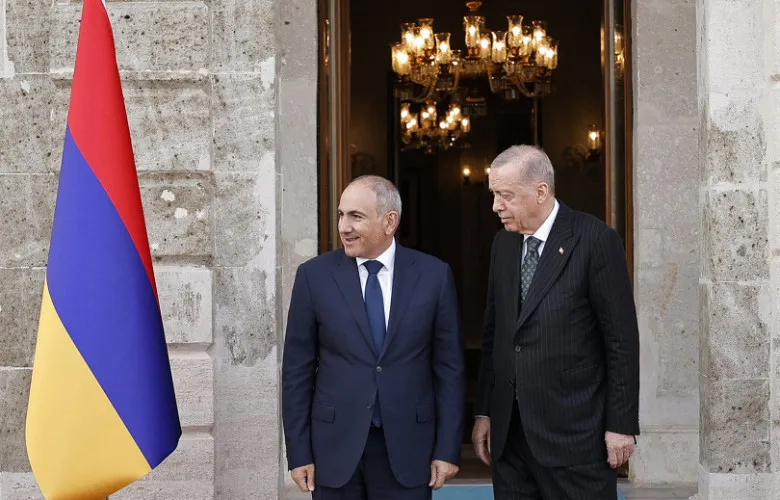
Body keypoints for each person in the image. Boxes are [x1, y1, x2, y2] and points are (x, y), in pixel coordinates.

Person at [282, 175, 466, 499]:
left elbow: (449, 370)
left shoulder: (434, 276)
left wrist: (448, 448)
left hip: (409, 449)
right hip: (334, 450)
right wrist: (299, 453)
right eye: (341, 215)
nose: (344, 227)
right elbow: (297, 371)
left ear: (389, 221)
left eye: (356, 216)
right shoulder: (314, 276)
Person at [471, 145, 640, 499]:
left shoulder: (595, 240)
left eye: (505, 195)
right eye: (493, 195)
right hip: (510, 439)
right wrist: (484, 412)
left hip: (575, 437)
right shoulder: (503, 244)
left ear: (541, 191)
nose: (496, 206)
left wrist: (621, 425)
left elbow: (620, 341)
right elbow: (495, 334)